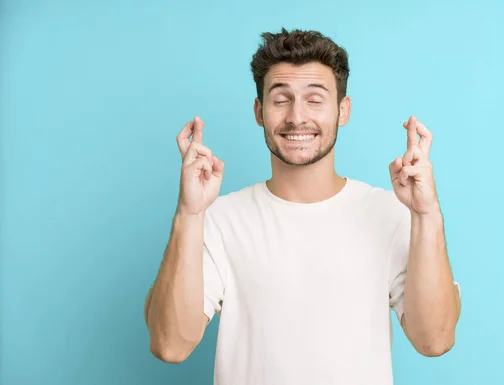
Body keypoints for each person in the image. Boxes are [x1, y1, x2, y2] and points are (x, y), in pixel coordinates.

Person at [144, 28, 461, 385]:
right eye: (281, 99)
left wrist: (426, 215)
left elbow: (435, 339)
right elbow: (170, 345)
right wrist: (188, 215)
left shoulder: (389, 214)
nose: (297, 117)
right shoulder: (217, 220)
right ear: (259, 111)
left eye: (315, 99)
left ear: (343, 110)